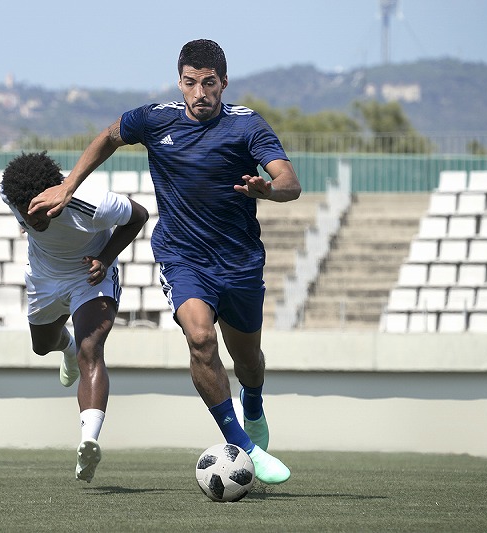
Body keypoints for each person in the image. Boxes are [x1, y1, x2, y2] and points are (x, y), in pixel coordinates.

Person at [28, 39, 301, 485]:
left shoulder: (246, 125)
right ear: (180, 82)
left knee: (248, 361)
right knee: (200, 339)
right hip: (182, 256)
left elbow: (290, 181)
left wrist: (269, 190)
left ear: (224, 82)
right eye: (191, 83)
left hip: (239, 261)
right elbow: (109, 136)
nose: (200, 93)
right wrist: (68, 185)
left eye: (209, 83)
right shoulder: (156, 119)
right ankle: (245, 446)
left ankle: (253, 404)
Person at [0, 151, 149, 483]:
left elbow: (139, 215)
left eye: (39, 212)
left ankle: (88, 441)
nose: (32, 220)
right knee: (42, 346)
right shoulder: (11, 194)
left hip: (89, 276)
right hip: (44, 278)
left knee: (90, 349)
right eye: (26, 215)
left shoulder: (94, 204)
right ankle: (65, 348)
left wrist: (105, 258)